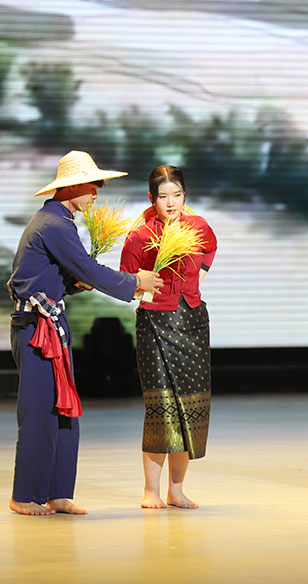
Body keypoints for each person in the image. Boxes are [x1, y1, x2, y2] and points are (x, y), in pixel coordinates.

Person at [7, 150, 163, 516]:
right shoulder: (54, 224)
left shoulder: (58, 221)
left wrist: (76, 284)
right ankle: (24, 495)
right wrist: (134, 282)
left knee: (64, 410)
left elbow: (65, 274)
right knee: (39, 412)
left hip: (50, 326)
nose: (97, 191)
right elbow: (87, 268)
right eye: (94, 184)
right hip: (34, 329)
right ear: (73, 186)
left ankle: (58, 493)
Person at [119, 165, 217, 508]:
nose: (171, 202)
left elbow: (210, 248)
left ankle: (177, 490)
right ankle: (151, 490)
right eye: (163, 197)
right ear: (151, 198)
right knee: (160, 406)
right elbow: (127, 278)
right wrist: (146, 285)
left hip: (191, 319)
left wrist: (199, 276)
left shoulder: (198, 226)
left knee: (191, 405)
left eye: (177, 195)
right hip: (155, 322)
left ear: (185, 195)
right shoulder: (140, 234)